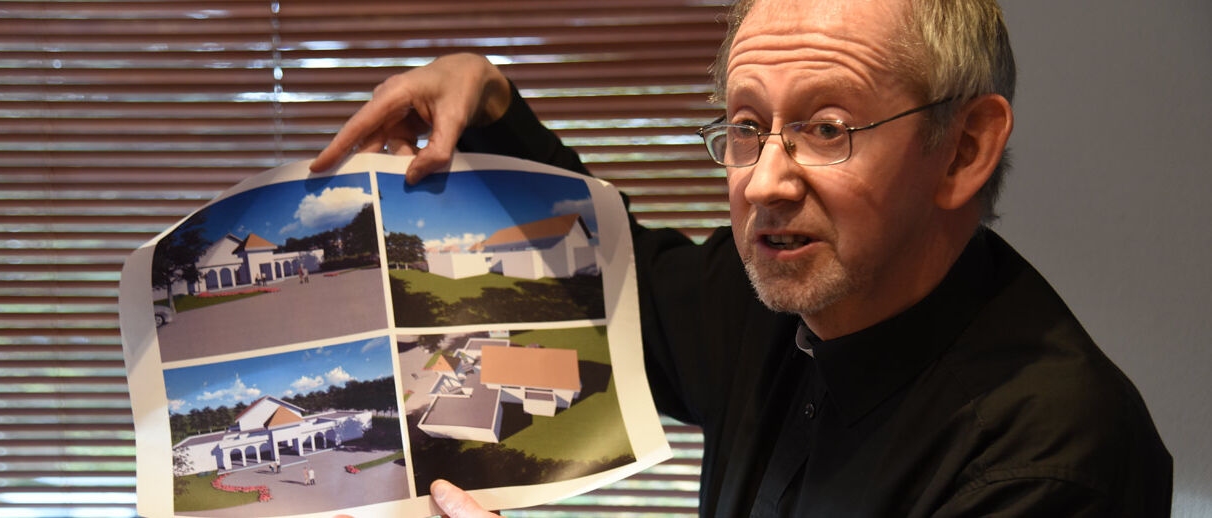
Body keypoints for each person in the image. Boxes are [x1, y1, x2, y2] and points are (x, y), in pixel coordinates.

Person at [312, 0, 1171, 516]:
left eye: (827, 130)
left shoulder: (1056, 461)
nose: (763, 183)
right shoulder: (777, 292)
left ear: (964, 149)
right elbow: (612, 291)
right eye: (748, 128)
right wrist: (489, 96)